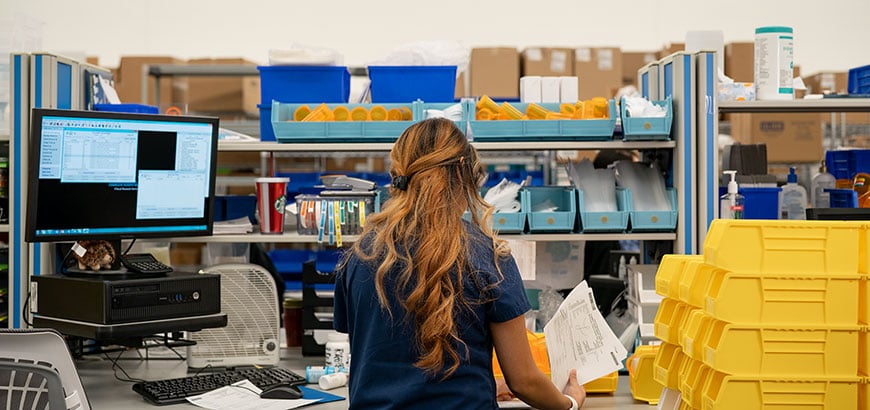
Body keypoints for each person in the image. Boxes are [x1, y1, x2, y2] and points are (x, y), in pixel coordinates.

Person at [333, 118, 586, 409]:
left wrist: (487, 383)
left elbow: (376, 361)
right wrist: (570, 402)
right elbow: (524, 381)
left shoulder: (361, 256)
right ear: (463, 175)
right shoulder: (487, 256)